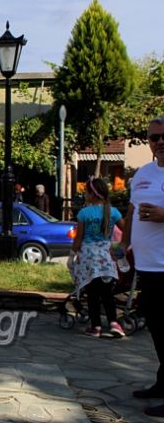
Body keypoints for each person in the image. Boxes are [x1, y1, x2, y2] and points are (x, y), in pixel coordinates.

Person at [121, 115, 164, 418]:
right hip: (147, 265)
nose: (160, 142)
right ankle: (163, 382)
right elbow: (133, 209)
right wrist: (125, 244)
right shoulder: (143, 173)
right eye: (154, 137)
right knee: (157, 328)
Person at [69, 177, 125, 338]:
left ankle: (96, 327)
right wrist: (120, 248)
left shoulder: (84, 213)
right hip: (107, 257)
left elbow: (78, 237)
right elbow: (125, 229)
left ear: (92, 195)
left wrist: (72, 255)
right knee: (107, 294)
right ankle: (114, 323)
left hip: (89, 257)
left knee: (92, 293)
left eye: (86, 192)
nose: (84, 195)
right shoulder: (113, 212)